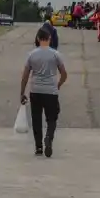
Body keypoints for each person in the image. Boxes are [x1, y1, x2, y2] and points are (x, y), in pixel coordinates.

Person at [20, 28, 68, 157]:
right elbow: (64, 74)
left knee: (36, 119)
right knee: (52, 119)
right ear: (49, 38)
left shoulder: (31, 54)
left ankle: (39, 147)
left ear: (37, 39)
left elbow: (25, 76)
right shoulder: (55, 54)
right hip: (51, 91)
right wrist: (58, 85)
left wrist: (22, 92)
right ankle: (48, 138)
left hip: (35, 90)